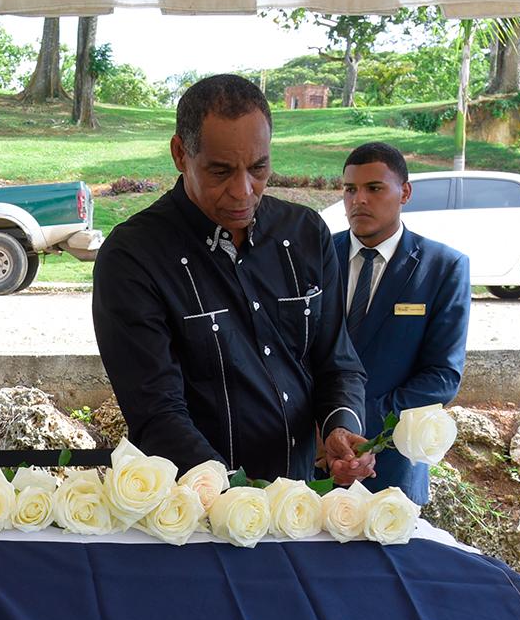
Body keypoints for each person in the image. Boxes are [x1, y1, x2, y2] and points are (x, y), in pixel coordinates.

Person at [92, 74, 373, 483]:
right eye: (220, 171)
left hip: (302, 500)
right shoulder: (134, 257)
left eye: (259, 168)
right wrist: (236, 495)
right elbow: (157, 412)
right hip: (194, 512)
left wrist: (340, 427)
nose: (243, 191)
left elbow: (337, 363)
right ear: (179, 153)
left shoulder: (306, 232)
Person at [333, 142, 470, 503]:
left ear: (404, 192)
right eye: (350, 189)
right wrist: (325, 427)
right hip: (310, 467)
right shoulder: (314, 257)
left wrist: (356, 424)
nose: (358, 200)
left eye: (374, 188)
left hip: (391, 471)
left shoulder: (443, 268)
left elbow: (442, 376)